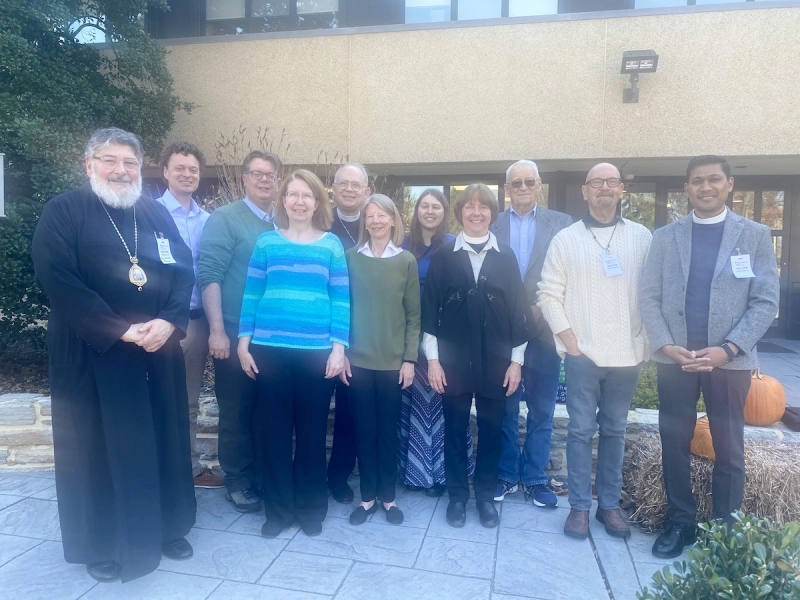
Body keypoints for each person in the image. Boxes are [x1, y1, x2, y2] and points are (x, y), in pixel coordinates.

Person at [31, 128, 196, 583]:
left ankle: (168, 526)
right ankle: (101, 542)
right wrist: (117, 329)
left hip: (155, 349)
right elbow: (57, 278)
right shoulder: (64, 211)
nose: (121, 170)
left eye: (130, 162)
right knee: (97, 449)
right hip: (93, 353)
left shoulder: (156, 215)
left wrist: (169, 320)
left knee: (163, 437)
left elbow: (183, 272)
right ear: (89, 164)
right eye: (110, 160)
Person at [640, 155, 779, 558]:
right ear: (687, 188)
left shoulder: (753, 234)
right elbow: (648, 296)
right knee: (673, 442)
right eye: (697, 181)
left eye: (714, 180)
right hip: (675, 359)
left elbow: (765, 300)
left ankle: (725, 532)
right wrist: (665, 344)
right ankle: (680, 523)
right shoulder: (666, 237)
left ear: (730, 184)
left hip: (728, 362)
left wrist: (728, 349)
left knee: (729, 448)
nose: (706, 187)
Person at [538, 163, 652, 541]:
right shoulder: (566, 239)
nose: (604, 188)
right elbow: (549, 293)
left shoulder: (641, 238)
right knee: (580, 431)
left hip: (628, 354)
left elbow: (653, 293)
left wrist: (644, 340)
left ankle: (609, 505)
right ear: (584, 191)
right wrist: (571, 343)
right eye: (596, 182)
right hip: (583, 353)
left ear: (621, 189)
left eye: (611, 182)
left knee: (615, 431)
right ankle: (580, 508)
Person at [237, 169, 350, 538]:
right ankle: (278, 511)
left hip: (317, 353)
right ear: (283, 201)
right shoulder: (266, 243)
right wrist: (243, 342)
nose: (299, 201)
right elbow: (251, 293)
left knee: (313, 434)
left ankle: (311, 508)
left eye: (307, 195)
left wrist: (338, 348)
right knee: (274, 434)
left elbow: (341, 299)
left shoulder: (331, 245)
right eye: (293, 195)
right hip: (269, 351)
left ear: (317, 202)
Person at [422, 184, 534, 529]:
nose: (475, 212)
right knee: (454, 431)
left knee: (491, 431)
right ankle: (457, 498)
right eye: (468, 207)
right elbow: (429, 313)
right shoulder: (444, 256)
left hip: (497, 362)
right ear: (460, 213)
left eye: (482, 207)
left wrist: (517, 362)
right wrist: (434, 361)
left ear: (491, 213)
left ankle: (485, 497)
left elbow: (518, 312)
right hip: (453, 362)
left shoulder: (506, 256)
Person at [198, 150, 281, 513]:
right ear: (245, 178)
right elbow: (210, 274)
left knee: (268, 411)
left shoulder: (283, 222)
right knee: (236, 409)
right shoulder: (226, 218)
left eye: (271, 175)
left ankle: (264, 474)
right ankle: (238, 480)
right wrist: (217, 329)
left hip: (273, 337)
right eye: (257, 174)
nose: (265, 180)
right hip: (233, 332)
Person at [491, 160, 572, 507]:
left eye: (529, 182)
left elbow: (568, 274)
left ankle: (537, 477)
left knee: (542, 409)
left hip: (543, 331)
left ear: (539, 185)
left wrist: (541, 307)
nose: (522, 188)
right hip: (503, 334)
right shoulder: (491, 224)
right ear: (507, 188)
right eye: (516, 183)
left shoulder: (562, 224)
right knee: (506, 408)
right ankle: (507, 474)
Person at [342, 194, 420, 526]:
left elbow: (414, 316)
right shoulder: (349, 258)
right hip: (357, 361)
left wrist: (409, 360)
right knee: (364, 431)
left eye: (381, 215)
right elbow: (341, 309)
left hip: (392, 364)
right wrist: (342, 352)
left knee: (388, 432)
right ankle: (367, 498)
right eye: (369, 215)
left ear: (392, 220)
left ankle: (388, 498)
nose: (375, 221)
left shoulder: (406, 261)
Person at [398, 189, 474, 497]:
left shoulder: (455, 246)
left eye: (436, 207)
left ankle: (443, 474)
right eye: (424, 206)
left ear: (444, 213)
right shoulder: (402, 245)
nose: (430, 211)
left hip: (446, 337)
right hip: (409, 333)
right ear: (417, 211)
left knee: (444, 405)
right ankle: (415, 473)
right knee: (414, 405)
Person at [155, 142, 222, 489]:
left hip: (197, 323)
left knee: (190, 399)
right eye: (179, 168)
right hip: (160, 323)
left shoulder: (210, 221)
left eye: (193, 169)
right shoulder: (148, 215)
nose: (187, 174)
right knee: (155, 397)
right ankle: (156, 466)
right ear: (165, 172)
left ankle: (190, 469)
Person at [327, 163, 370, 503]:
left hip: (359, 333)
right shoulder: (320, 223)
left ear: (366, 191)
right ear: (334, 188)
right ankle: (307, 473)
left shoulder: (376, 224)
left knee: (348, 412)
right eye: (344, 184)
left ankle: (338, 476)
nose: (350, 190)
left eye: (357, 185)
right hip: (318, 329)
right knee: (310, 408)